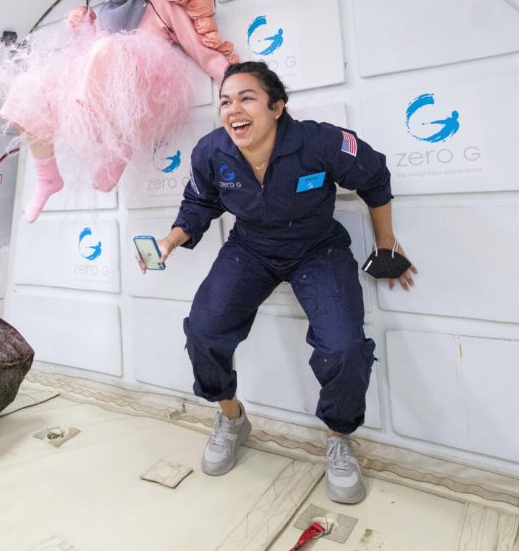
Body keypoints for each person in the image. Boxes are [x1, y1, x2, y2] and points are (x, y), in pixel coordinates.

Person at [141, 61, 417, 504]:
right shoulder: (211, 152)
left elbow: (375, 176)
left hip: (317, 248)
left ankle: (339, 438)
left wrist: (386, 245)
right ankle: (231, 418)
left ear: (277, 107)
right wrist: (172, 238)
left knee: (343, 347)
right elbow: (199, 202)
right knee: (203, 331)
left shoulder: (321, 141)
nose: (233, 109)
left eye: (246, 98)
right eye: (225, 101)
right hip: (250, 249)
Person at [0, 0, 237, 223]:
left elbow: (201, 51)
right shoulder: (101, 19)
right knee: (29, 85)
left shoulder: (160, 5)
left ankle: (117, 148)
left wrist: (236, 84)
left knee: (106, 48)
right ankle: (47, 176)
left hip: (144, 96)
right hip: (96, 102)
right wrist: (80, 32)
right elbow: (83, 67)